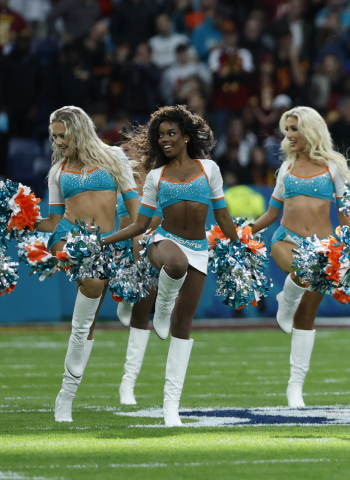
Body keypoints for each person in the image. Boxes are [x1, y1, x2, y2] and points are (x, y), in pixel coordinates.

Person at [101, 105, 240, 426]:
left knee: (183, 325)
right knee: (174, 266)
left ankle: (170, 406)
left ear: (186, 137)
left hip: (199, 250)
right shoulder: (155, 177)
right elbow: (140, 224)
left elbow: (222, 216)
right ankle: (160, 312)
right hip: (162, 242)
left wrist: (239, 245)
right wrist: (103, 241)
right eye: (160, 135)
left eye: (171, 133)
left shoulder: (209, 169)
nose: (165, 139)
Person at [34, 106, 140, 423]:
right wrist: (21, 220)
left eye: (62, 136)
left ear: (79, 131)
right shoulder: (58, 171)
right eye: (54, 137)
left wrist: (137, 252)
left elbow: (135, 212)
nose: (58, 142)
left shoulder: (115, 158)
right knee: (92, 282)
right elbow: (53, 220)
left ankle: (65, 395)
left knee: (88, 322)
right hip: (69, 237)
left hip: (107, 242)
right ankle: (66, 397)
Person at [250, 106, 350, 408]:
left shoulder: (332, 167)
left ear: (310, 130)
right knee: (303, 271)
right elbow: (272, 213)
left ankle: (295, 386)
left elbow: (345, 215)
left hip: (322, 248)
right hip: (286, 240)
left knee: (306, 317)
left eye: (294, 129)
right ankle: (286, 300)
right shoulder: (286, 167)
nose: (289, 135)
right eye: (287, 130)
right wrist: (244, 231)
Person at [114, 142, 163, 406]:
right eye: (126, 152)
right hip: (123, 249)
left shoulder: (161, 176)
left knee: (142, 315)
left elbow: (159, 218)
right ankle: (125, 293)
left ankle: (128, 383)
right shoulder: (122, 175)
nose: (132, 157)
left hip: (151, 247)